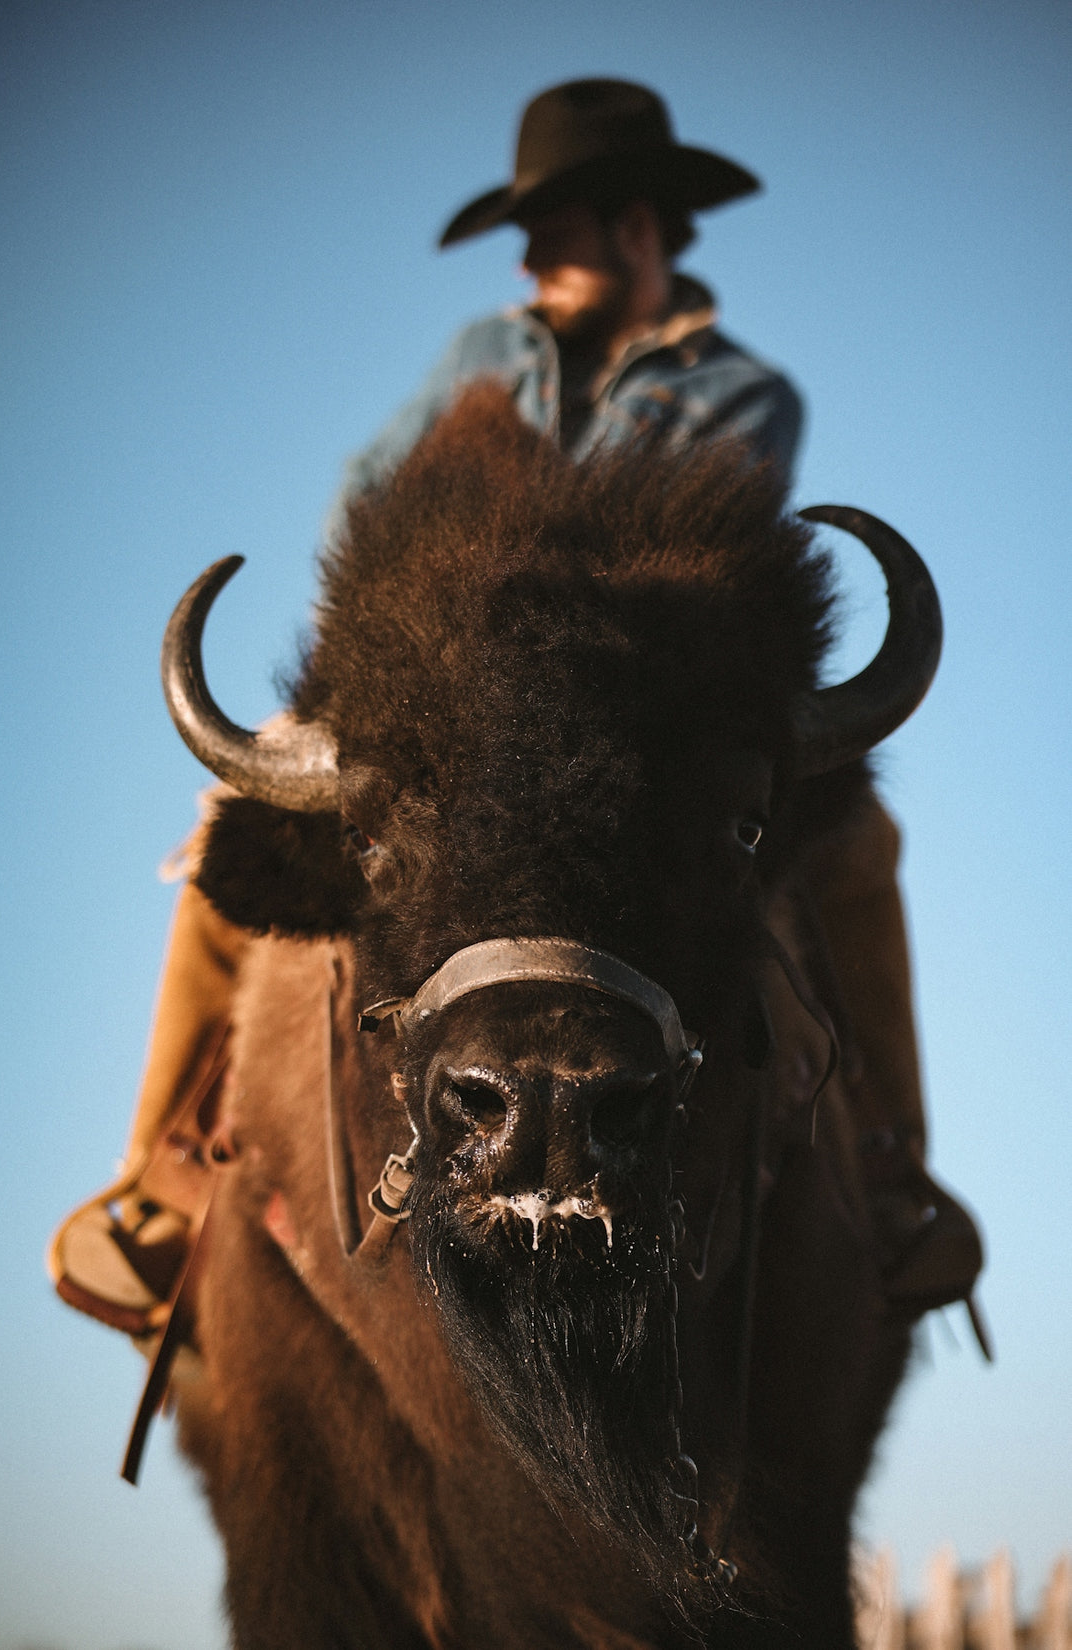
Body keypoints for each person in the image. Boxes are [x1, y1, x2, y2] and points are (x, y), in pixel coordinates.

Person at [49, 78, 982, 1338]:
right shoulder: (473, 357)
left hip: (644, 720)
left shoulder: (749, 392)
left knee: (856, 843)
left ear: (641, 232)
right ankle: (160, 1181)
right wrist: (350, 675)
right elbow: (361, 514)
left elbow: (705, 554)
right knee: (232, 821)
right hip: (453, 698)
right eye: (532, 234)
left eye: (560, 227)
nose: (534, 257)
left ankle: (879, 1165)